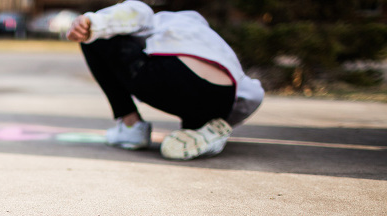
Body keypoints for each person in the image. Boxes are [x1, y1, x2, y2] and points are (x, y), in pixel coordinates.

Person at [66, 1, 264, 160]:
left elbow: (138, 11)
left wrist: (93, 23)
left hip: (173, 78)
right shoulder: (216, 44)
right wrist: (227, 118)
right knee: (184, 138)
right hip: (221, 97)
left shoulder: (163, 21)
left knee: (95, 40)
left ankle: (130, 126)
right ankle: (205, 130)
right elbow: (253, 94)